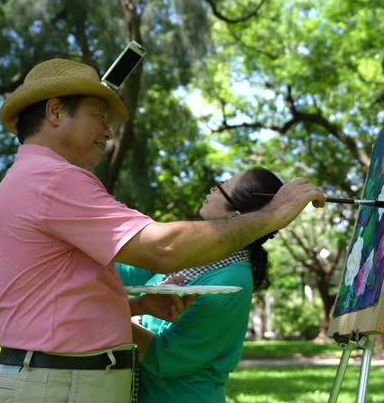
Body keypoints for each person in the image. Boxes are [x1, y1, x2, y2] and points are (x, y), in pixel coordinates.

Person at [0, 58, 325, 403]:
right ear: (55, 112)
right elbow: (162, 250)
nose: (108, 131)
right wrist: (273, 215)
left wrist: (138, 305)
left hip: (56, 382)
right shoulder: (54, 179)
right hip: (59, 385)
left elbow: (64, 301)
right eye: (99, 116)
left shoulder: (34, 177)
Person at [120, 167, 283, 402]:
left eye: (223, 187)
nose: (213, 187)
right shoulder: (195, 254)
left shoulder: (230, 282)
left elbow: (166, 358)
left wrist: (111, 313)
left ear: (236, 218)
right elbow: (128, 271)